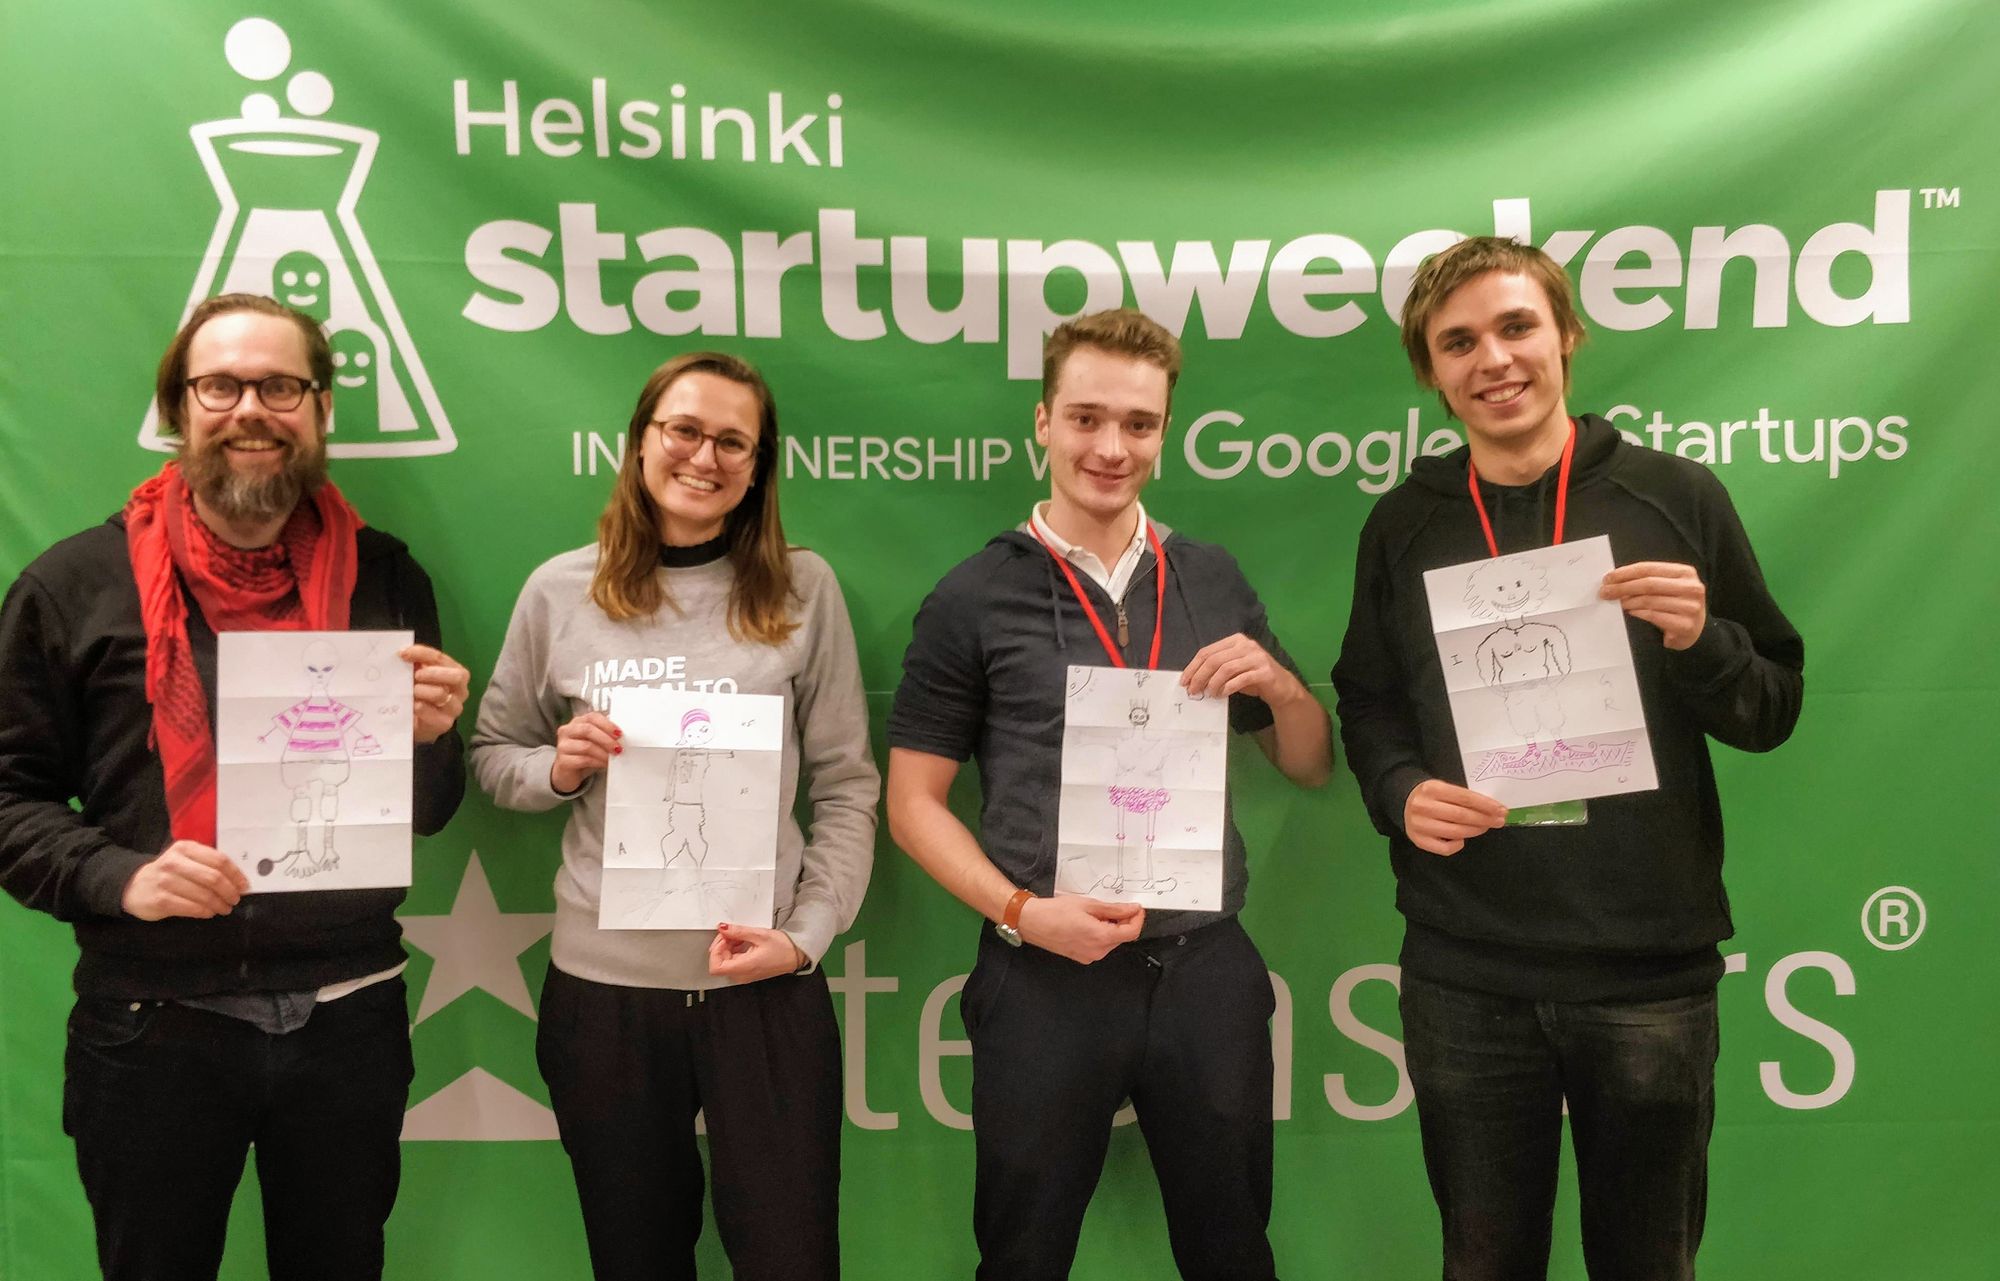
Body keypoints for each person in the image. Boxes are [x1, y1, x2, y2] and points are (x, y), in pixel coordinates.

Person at [1331, 236, 1805, 1280]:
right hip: (1465, 968)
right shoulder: (1403, 524)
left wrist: (1701, 641)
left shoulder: (1674, 499)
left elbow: (1769, 708)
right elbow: (1365, 700)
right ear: (1429, 373)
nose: (1490, 360)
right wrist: (1399, 791)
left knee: (1647, 1264)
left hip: (1646, 971)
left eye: (1514, 328)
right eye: (1456, 343)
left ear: (1565, 336)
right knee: (1482, 1263)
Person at [0, 293, 470, 1281]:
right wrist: (115, 874)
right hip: (152, 1026)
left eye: (280, 385)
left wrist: (432, 737)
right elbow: (7, 794)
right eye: (221, 385)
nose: (251, 408)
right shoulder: (72, 588)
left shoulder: (386, 579)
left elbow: (425, 809)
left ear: (320, 406)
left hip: (350, 1017)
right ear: (179, 408)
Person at [886, 308, 1332, 1281]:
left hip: (1202, 968)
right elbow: (911, 801)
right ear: (1041, 422)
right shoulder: (970, 599)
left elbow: (1305, 762)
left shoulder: (1209, 578)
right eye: (1085, 418)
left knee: (1230, 1251)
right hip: (1042, 973)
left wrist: (1283, 689)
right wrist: (1019, 912)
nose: (1110, 446)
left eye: (1137, 423)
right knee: (1021, 1255)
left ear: (1163, 433)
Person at [471, 351, 877, 1281]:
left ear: (759, 463)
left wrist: (806, 936)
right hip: (604, 999)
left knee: (792, 1262)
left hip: (763, 988)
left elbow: (849, 785)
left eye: (734, 441)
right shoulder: (557, 591)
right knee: (635, 1261)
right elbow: (492, 756)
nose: (706, 456)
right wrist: (559, 769)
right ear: (642, 442)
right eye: (684, 430)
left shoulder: (804, 591)